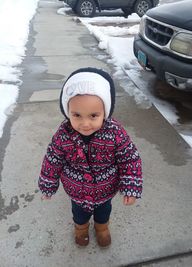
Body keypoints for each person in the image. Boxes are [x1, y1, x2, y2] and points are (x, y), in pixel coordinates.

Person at [38, 67, 143, 247]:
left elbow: (129, 159)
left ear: (105, 112)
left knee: (103, 212)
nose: (85, 124)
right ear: (67, 111)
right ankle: (81, 229)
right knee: (79, 214)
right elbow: (52, 159)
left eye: (94, 115)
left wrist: (130, 185)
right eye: (77, 115)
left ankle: (102, 228)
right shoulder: (63, 135)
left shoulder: (115, 133)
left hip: (106, 189)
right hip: (76, 190)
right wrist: (48, 184)